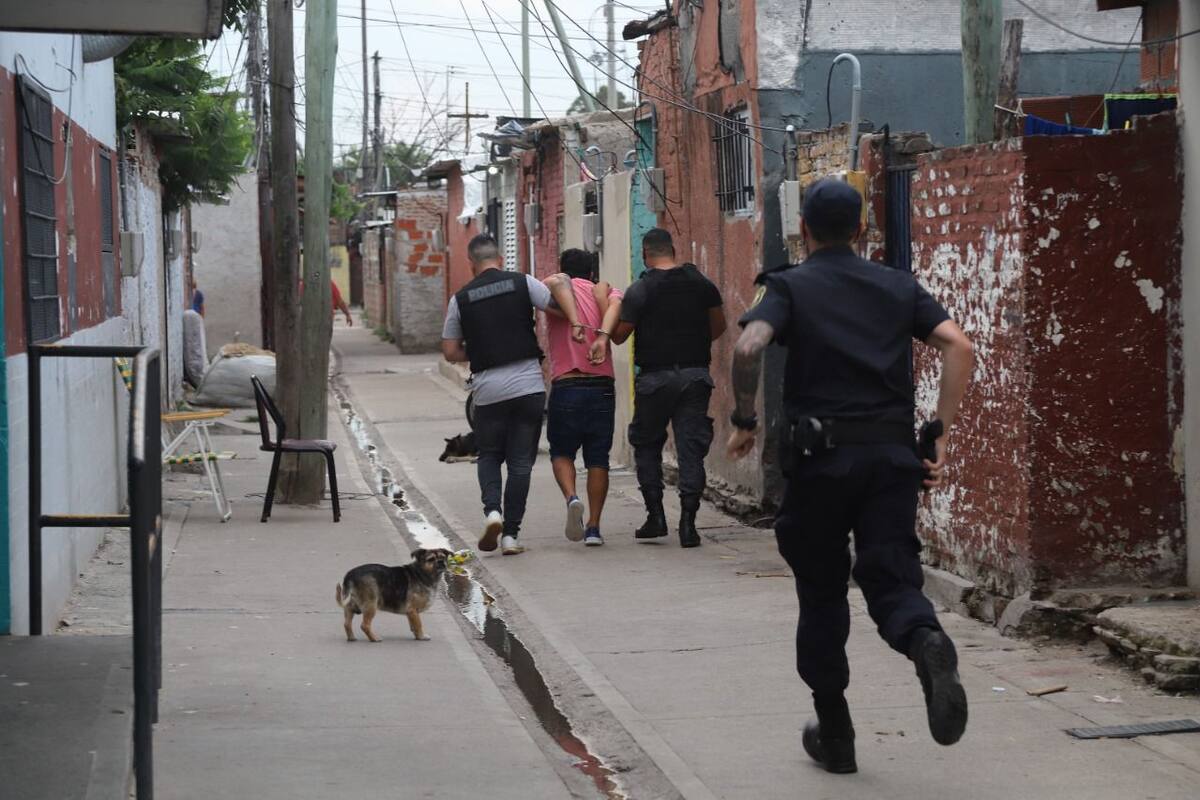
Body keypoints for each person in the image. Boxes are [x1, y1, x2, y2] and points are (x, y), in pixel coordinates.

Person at [726, 178, 975, 774]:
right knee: (891, 578)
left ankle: (836, 735)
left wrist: (743, 419)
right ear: (861, 228)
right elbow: (959, 347)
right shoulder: (897, 285)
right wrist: (936, 432)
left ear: (803, 230)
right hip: (890, 460)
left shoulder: (788, 287)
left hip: (821, 465)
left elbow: (749, 347)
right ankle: (925, 642)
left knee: (821, 595)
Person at [441, 234, 583, 555]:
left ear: (471, 263)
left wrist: (479, 350)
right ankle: (511, 536)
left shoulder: (460, 299)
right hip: (528, 386)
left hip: (488, 390)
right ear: (500, 258)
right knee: (520, 462)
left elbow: (450, 351)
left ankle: (493, 512)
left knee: (490, 454)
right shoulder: (523, 283)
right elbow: (557, 306)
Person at [610, 228, 726, 548]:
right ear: (673, 251)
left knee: (647, 444)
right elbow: (718, 326)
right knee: (691, 449)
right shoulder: (702, 284)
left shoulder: (640, 289)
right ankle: (688, 524)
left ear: (646, 254)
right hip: (695, 376)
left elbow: (619, 335)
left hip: (655, 379)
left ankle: (656, 516)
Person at [545, 249, 624, 547]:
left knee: (562, 452)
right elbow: (616, 306)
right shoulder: (605, 291)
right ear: (592, 270)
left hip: (567, 384)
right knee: (598, 459)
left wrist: (574, 320)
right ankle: (593, 527)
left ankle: (572, 498)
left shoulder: (555, 292)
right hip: (602, 384)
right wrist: (602, 334)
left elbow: (553, 282)